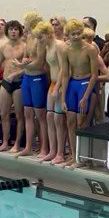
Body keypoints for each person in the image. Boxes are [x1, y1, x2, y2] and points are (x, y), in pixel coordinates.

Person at [59, 19, 100, 168]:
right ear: (68, 35)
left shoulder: (90, 49)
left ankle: (81, 158)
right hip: (72, 85)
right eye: (72, 34)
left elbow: (94, 75)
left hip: (85, 84)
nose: (76, 37)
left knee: (81, 123)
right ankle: (73, 155)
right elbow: (64, 74)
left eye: (78, 33)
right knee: (70, 122)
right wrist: (63, 98)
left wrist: (85, 96)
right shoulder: (65, 50)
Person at [16, 12, 50, 158]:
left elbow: (40, 63)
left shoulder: (41, 40)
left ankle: (44, 148)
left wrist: (22, 66)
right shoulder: (28, 37)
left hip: (38, 79)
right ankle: (29, 147)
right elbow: (26, 56)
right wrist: (23, 62)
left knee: (40, 116)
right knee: (27, 113)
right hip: (28, 79)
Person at [0, 20, 26, 153]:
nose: (13, 32)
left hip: (19, 82)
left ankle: (17, 143)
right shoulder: (3, 47)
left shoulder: (24, 47)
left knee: (19, 115)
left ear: (20, 32)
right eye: (11, 29)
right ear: (7, 31)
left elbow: (28, 66)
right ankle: (5, 142)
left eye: (16, 29)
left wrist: (16, 74)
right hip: (5, 82)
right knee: (4, 113)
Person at [41, 21, 67, 163]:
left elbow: (64, 68)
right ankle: (52, 151)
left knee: (58, 119)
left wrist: (58, 88)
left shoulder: (59, 45)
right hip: (52, 83)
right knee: (49, 116)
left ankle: (60, 153)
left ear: (47, 34)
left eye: (40, 37)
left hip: (60, 84)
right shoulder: (48, 46)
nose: (39, 40)